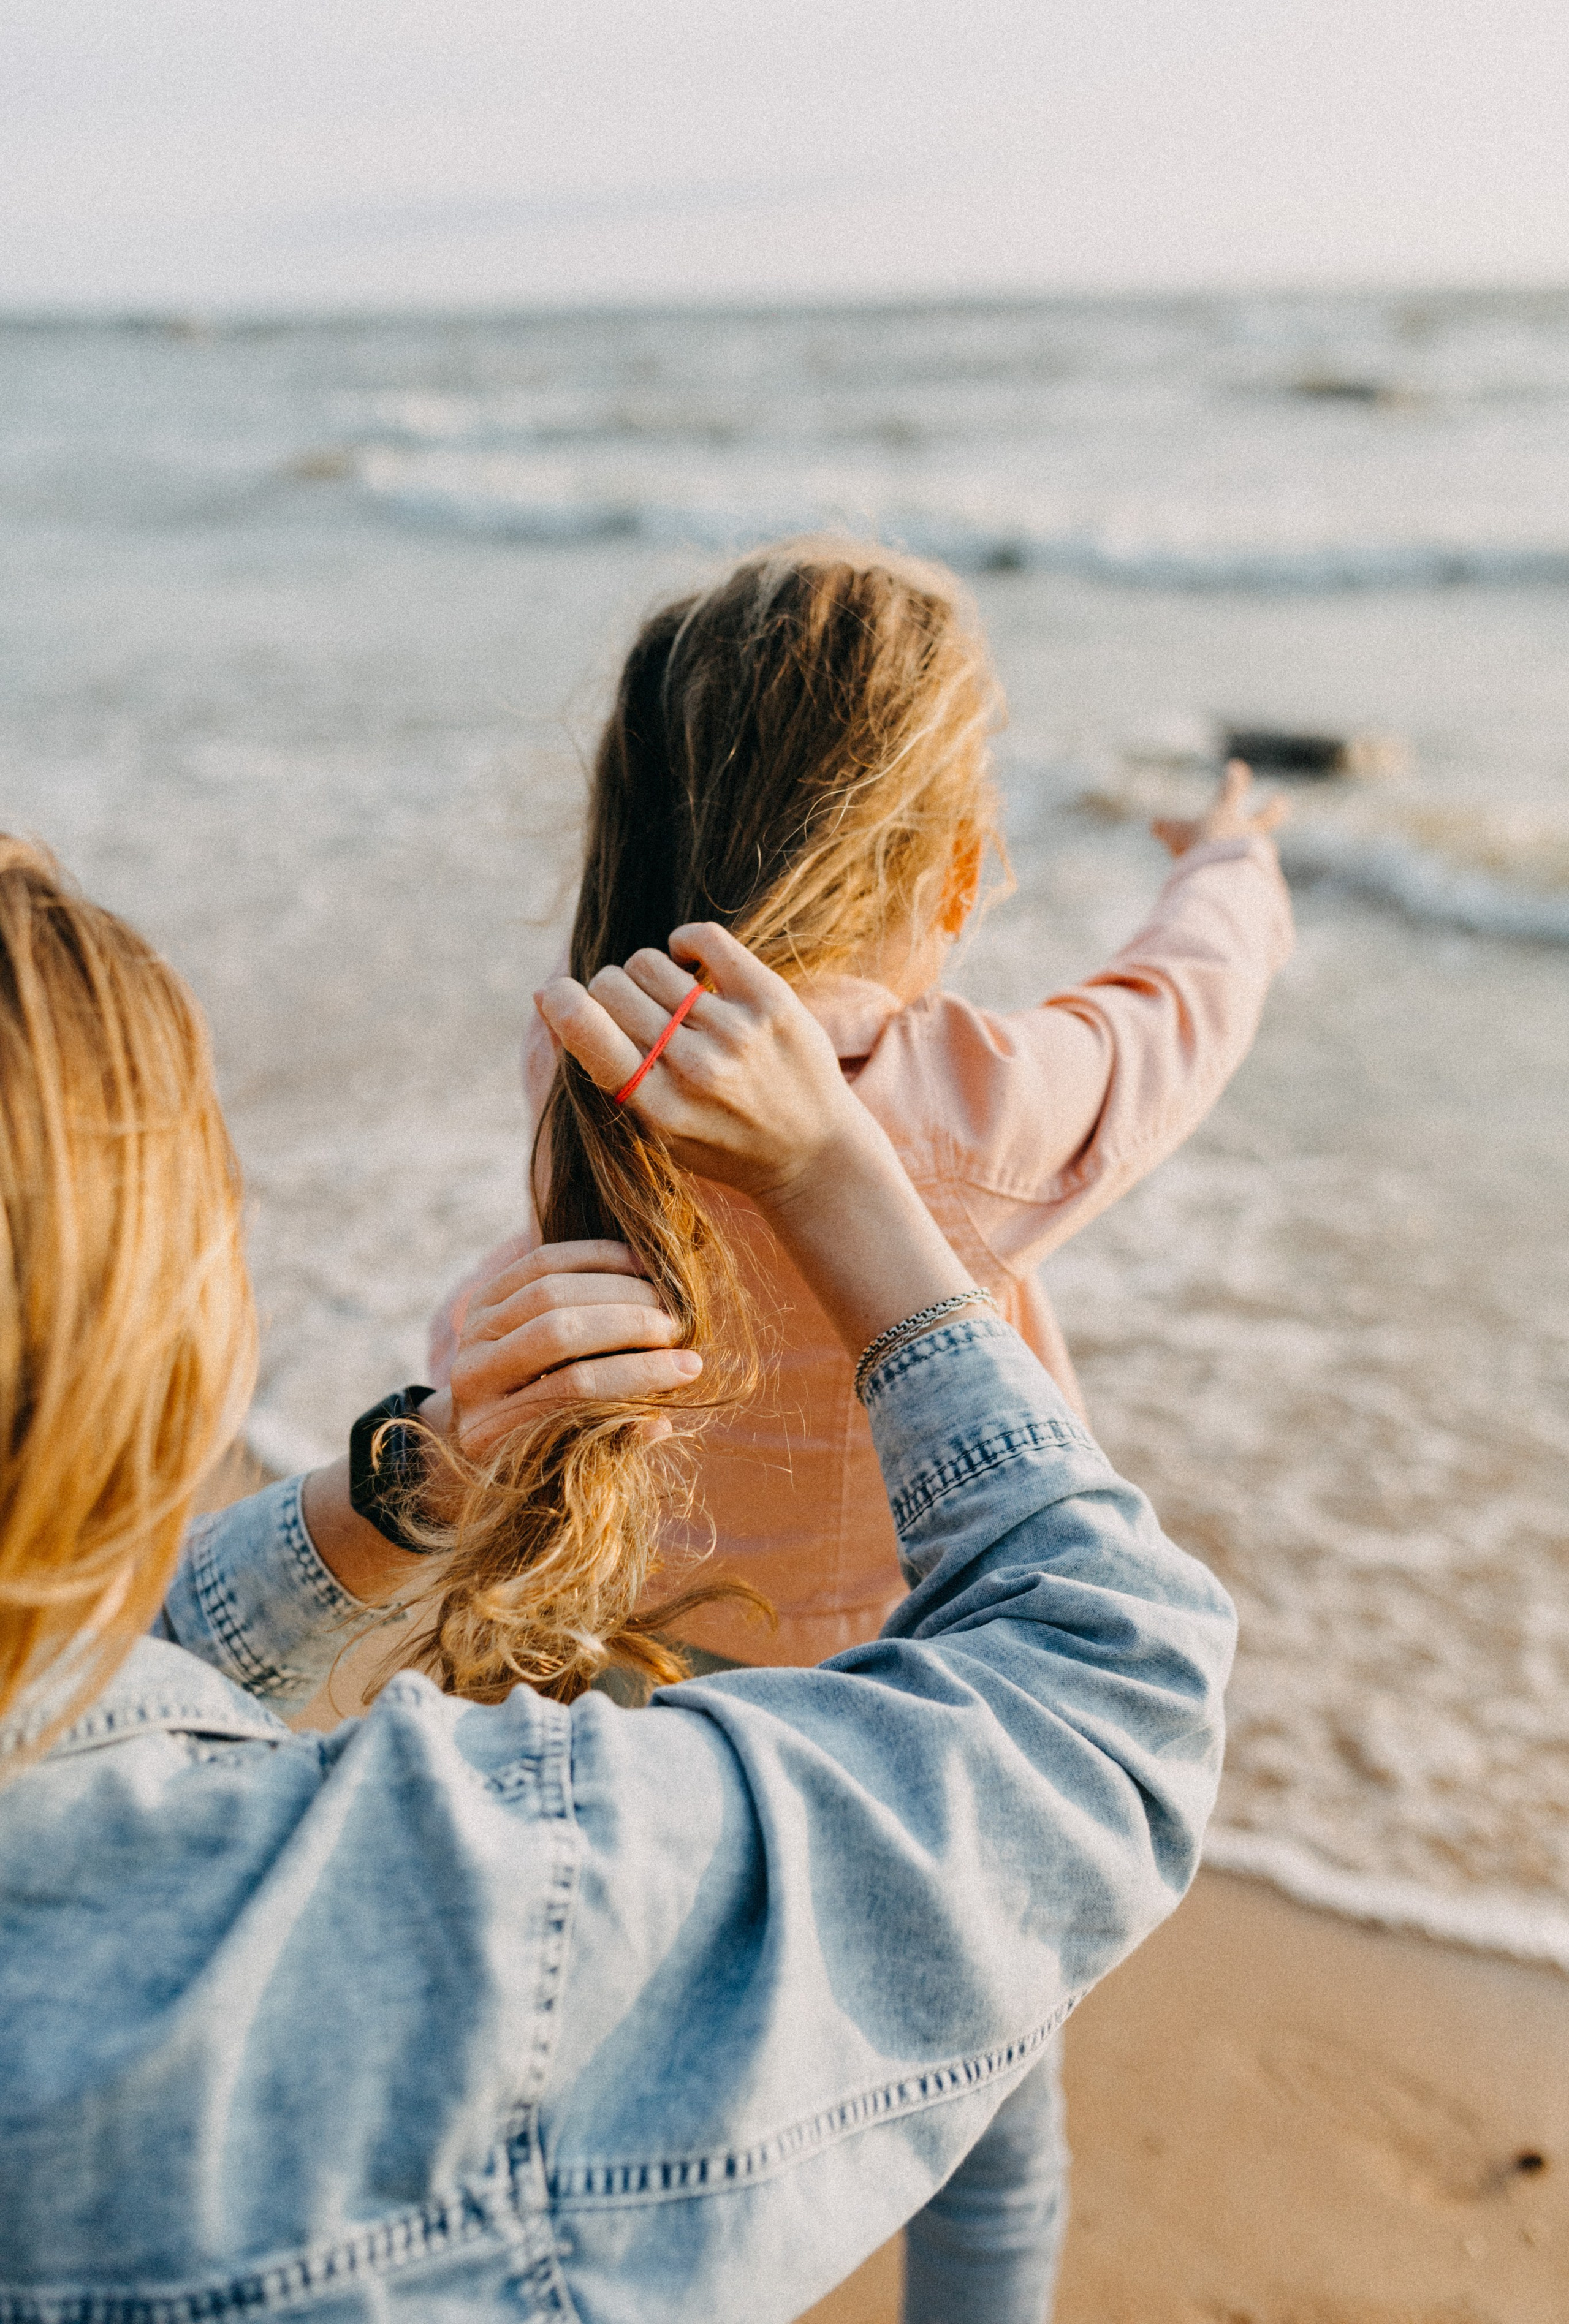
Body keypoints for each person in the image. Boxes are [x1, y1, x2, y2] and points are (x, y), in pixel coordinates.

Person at [0, 836, 1237, 2324]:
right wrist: (835, 1176)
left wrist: (416, 1483)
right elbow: (1119, 1692)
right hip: (850, 1718)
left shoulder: (575, 1068)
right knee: (999, 2162)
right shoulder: (444, 1907)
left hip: (640, 1646)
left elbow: (95, 1712)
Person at [430, 539, 1292, 2319]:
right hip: (927, 1753)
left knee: (649, 2121)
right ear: (960, 864)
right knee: (986, 2156)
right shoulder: (975, 1109)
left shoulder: (587, 1069)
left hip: (654, 1732)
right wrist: (1234, 864)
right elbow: (1175, 1017)